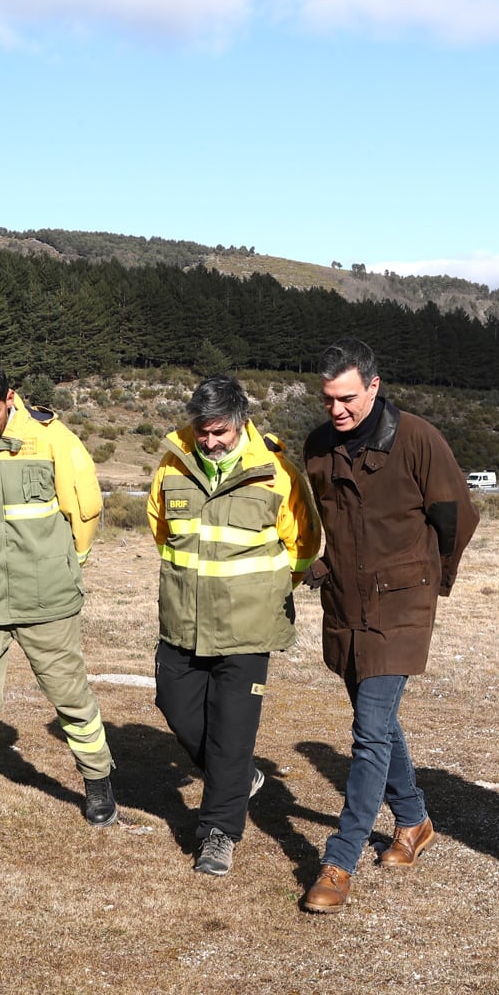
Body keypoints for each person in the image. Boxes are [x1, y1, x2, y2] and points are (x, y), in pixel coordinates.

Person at [300, 338, 479, 913]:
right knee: (375, 720)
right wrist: (323, 566)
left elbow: (457, 517)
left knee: (369, 730)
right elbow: (329, 521)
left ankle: (339, 860)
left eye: (347, 398)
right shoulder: (318, 446)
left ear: (374, 386)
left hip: (401, 605)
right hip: (346, 604)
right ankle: (415, 819)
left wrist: (430, 579)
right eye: (328, 399)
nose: (337, 410)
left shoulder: (419, 438)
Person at [0, 357, 116, 840]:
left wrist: (63, 564)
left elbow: (86, 507)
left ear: (9, 398)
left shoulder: (52, 437)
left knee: (69, 697)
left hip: (46, 595)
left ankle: (98, 779)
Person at [147, 374, 320, 875]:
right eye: (202, 430)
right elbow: (161, 531)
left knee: (232, 732)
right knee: (174, 704)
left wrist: (264, 590)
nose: (210, 440)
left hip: (248, 626)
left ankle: (218, 834)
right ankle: (240, 777)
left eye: (220, 430)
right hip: (183, 620)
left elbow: (303, 541)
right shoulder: (172, 464)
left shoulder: (276, 470)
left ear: (241, 420)